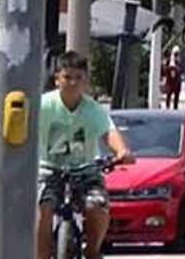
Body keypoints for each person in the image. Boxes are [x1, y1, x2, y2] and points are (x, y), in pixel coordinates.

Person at [36, 51, 133, 259]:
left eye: (78, 78)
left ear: (86, 81)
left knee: (97, 205)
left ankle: (92, 251)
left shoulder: (93, 109)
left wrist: (121, 151)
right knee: (42, 209)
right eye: (67, 77)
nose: (73, 83)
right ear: (57, 79)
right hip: (49, 170)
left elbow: (109, 132)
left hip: (86, 170)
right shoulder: (43, 106)